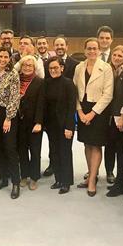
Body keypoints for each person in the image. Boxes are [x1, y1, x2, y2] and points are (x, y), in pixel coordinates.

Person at [73, 38, 113, 196]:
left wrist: (92, 113)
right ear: (84, 50)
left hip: (99, 111)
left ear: (99, 50)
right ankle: (91, 174)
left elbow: (108, 94)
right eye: (89, 48)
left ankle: (92, 181)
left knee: (95, 145)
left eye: (94, 48)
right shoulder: (79, 67)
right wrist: (80, 112)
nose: (92, 51)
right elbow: (74, 91)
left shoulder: (106, 68)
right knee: (86, 144)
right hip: (83, 109)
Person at [0, 47, 21, 199]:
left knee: (10, 148)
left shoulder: (13, 74)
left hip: (8, 114)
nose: (2, 59)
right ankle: (3, 178)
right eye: (0, 56)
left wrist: (8, 118)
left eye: (5, 57)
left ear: (9, 59)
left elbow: (15, 98)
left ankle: (15, 182)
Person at [44, 57, 76, 194]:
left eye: (56, 68)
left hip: (65, 124)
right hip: (51, 125)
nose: (53, 70)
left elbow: (71, 106)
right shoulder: (46, 83)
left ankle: (66, 181)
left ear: (62, 68)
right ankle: (58, 179)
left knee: (65, 152)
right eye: (51, 68)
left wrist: (69, 127)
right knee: (55, 152)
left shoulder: (68, 84)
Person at [105, 45, 123, 197]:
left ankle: (121, 182)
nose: (116, 58)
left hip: (120, 118)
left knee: (121, 151)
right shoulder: (113, 71)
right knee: (113, 147)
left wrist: (122, 116)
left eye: (120, 56)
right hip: (111, 116)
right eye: (114, 55)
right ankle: (121, 182)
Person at [17, 55, 44, 190]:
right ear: (21, 67)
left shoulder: (39, 82)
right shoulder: (16, 80)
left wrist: (39, 122)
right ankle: (24, 175)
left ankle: (34, 177)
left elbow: (41, 104)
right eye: (25, 65)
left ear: (34, 67)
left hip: (34, 122)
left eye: (30, 65)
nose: (27, 68)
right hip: (19, 122)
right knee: (21, 150)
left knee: (34, 150)